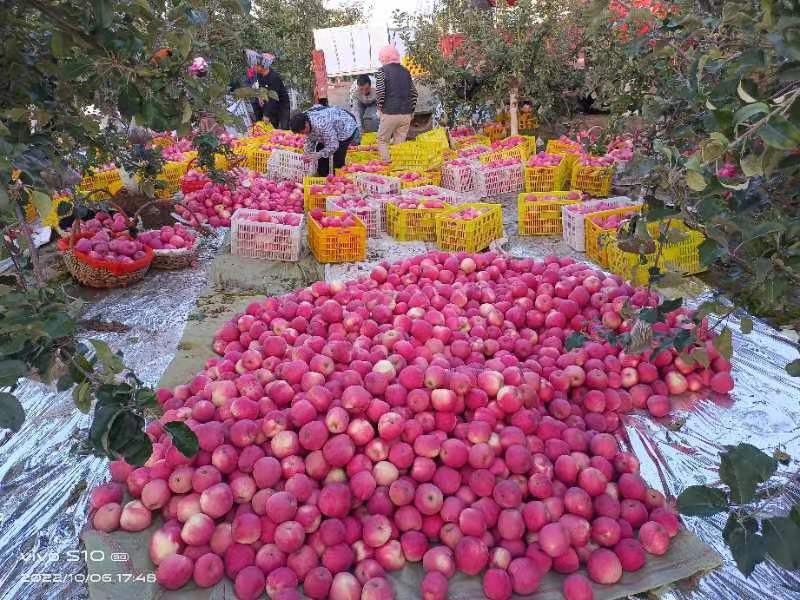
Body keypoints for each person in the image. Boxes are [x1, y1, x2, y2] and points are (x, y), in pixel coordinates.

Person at [375, 46, 418, 161]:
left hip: (389, 113)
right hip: (406, 115)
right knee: (399, 144)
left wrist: (379, 109)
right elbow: (414, 93)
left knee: (382, 140)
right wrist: (411, 110)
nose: (380, 61)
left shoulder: (381, 71)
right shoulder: (406, 71)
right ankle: (399, 169)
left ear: (384, 57)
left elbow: (380, 93)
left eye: (381, 58)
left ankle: (387, 165)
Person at [290, 106, 358, 177]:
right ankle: (323, 177)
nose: (303, 134)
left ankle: (339, 179)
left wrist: (318, 154)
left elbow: (333, 145)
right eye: (301, 133)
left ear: (306, 124)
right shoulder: (302, 120)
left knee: (337, 157)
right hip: (328, 126)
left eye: (303, 132)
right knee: (320, 153)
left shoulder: (321, 124)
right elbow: (310, 139)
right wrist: (307, 153)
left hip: (345, 126)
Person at [241, 50, 291, 129]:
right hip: (270, 104)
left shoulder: (274, 77)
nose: (253, 68)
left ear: (262, 66)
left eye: (255, 66)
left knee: (284, 127)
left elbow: (273, 98)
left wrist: (266, 114)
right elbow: (261, 89)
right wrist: (260, 97)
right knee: (272, 127)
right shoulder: (259, 75)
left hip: (281, 105)